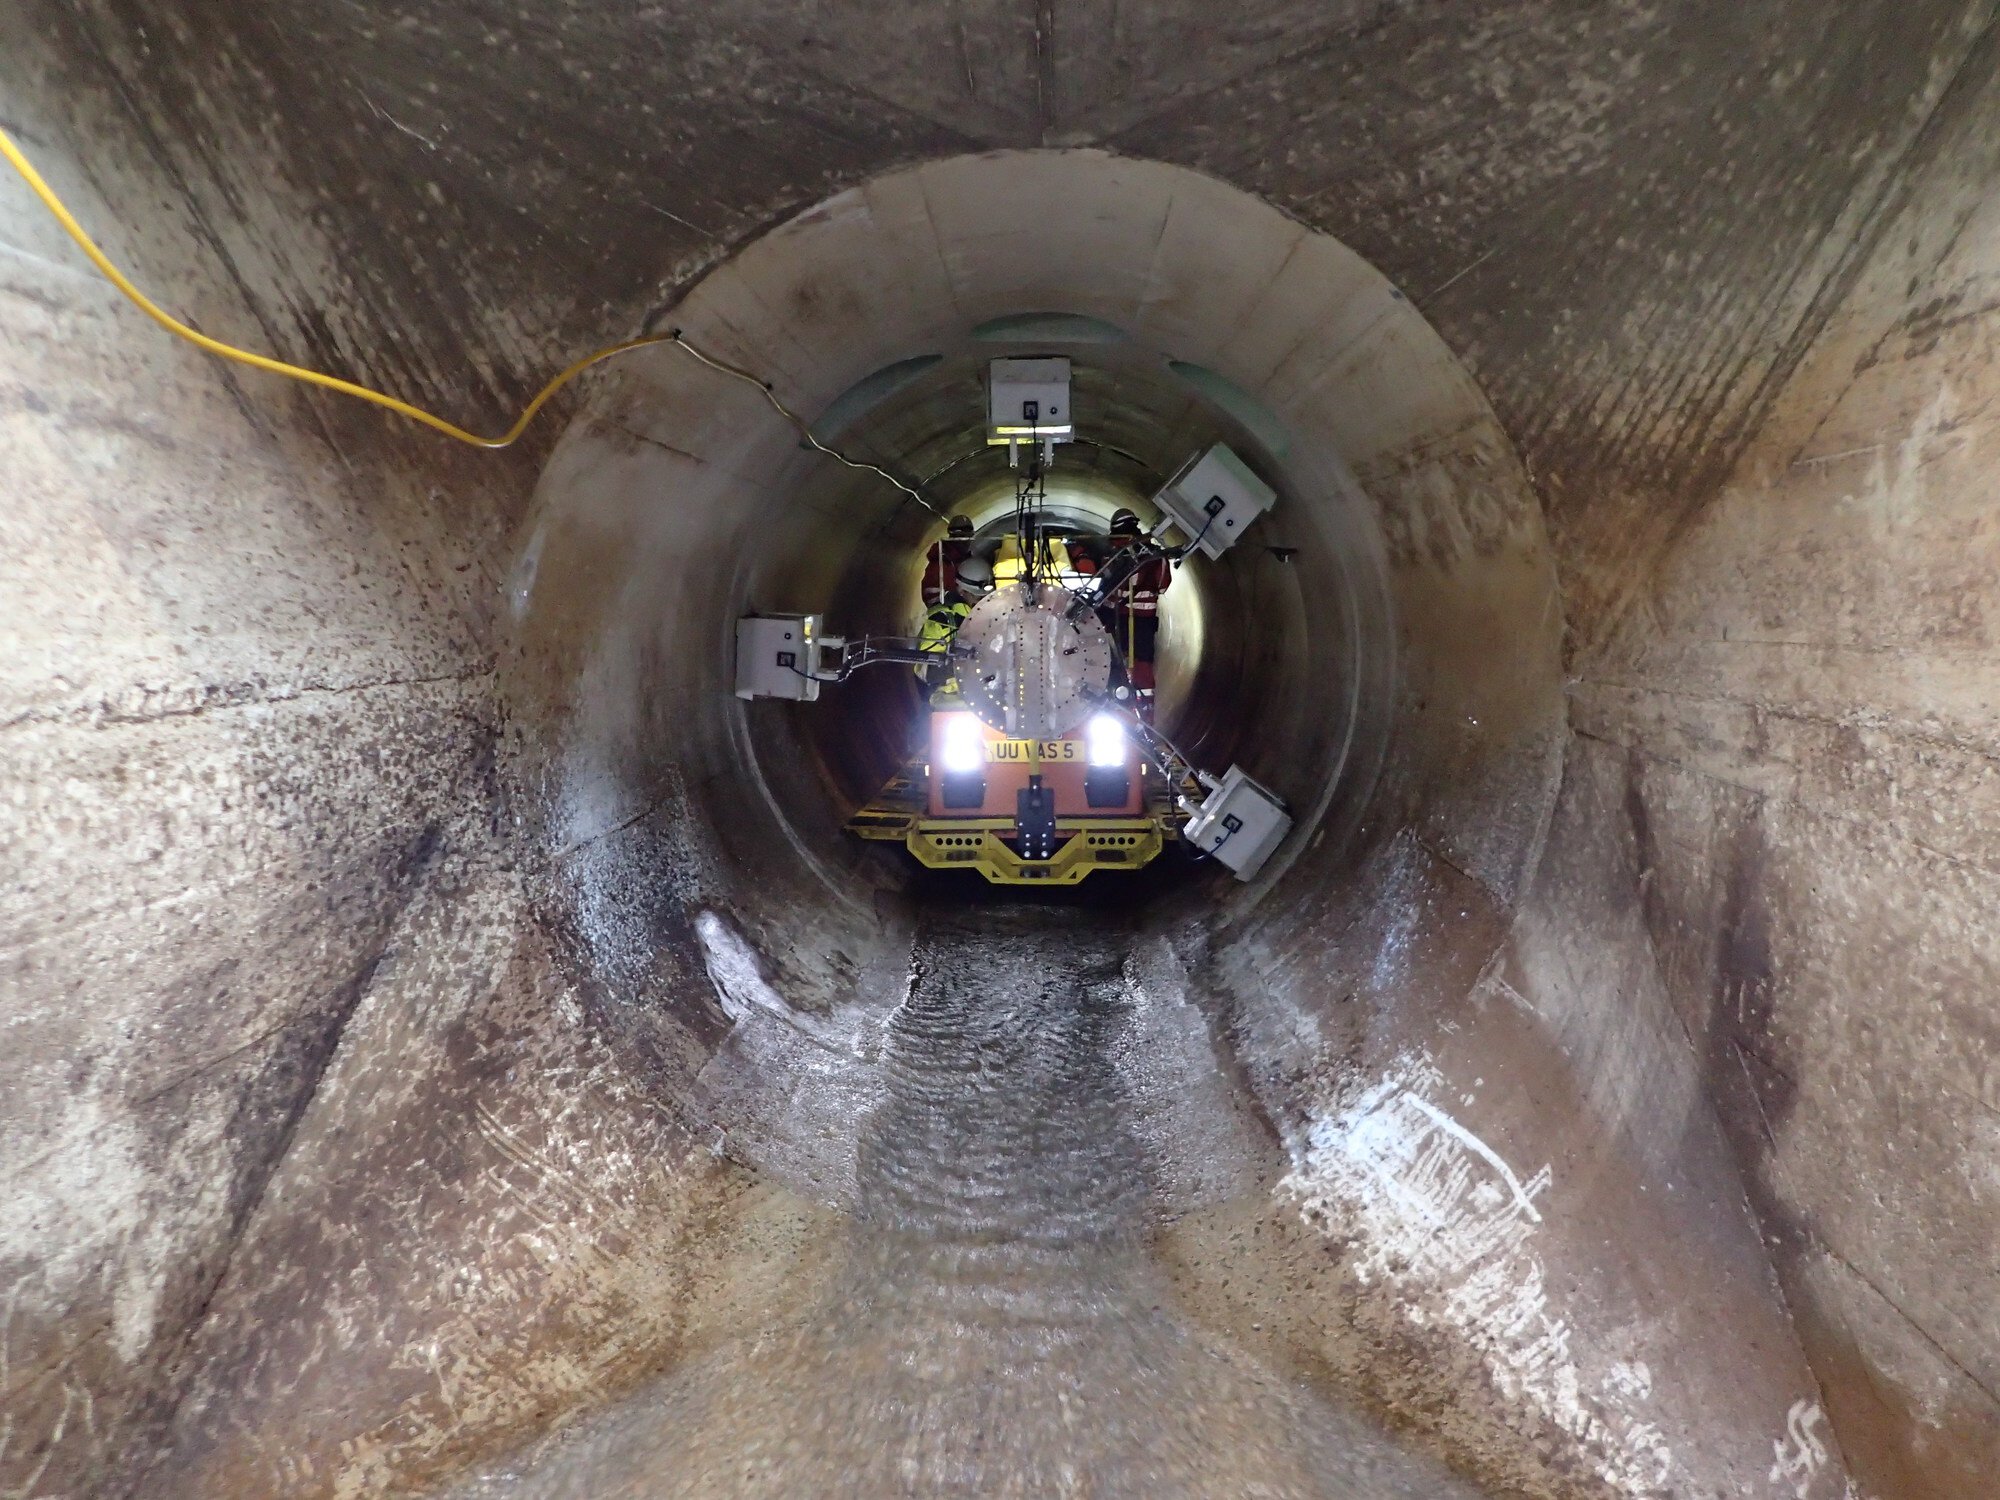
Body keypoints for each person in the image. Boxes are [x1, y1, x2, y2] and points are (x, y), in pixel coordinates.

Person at [1103, 508, 1172, 720]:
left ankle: (1120, 713)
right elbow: (1163, 586)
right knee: (1143, 669)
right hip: (1145, 623)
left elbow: (1112, 592)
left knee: (1119, 666)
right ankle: (1145, 718)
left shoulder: (1120, 557)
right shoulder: (1156, 555)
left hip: (1123, 620)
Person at [914, 554, 993, 699]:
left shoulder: (991, 617)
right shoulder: (941, 618)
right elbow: (927, 672)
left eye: (985, 597)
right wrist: (968, 662)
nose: (982, 602)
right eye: (977, 597)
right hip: (950, 696)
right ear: (962, 591)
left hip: (983, 694)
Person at [921, 514, 975, 608]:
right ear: (951, 536)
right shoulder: (939, 565)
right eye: (960, 537)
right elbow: (932, 600)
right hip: (950, 617)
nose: (965, 541)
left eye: (968, 537)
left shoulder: (967, 561)